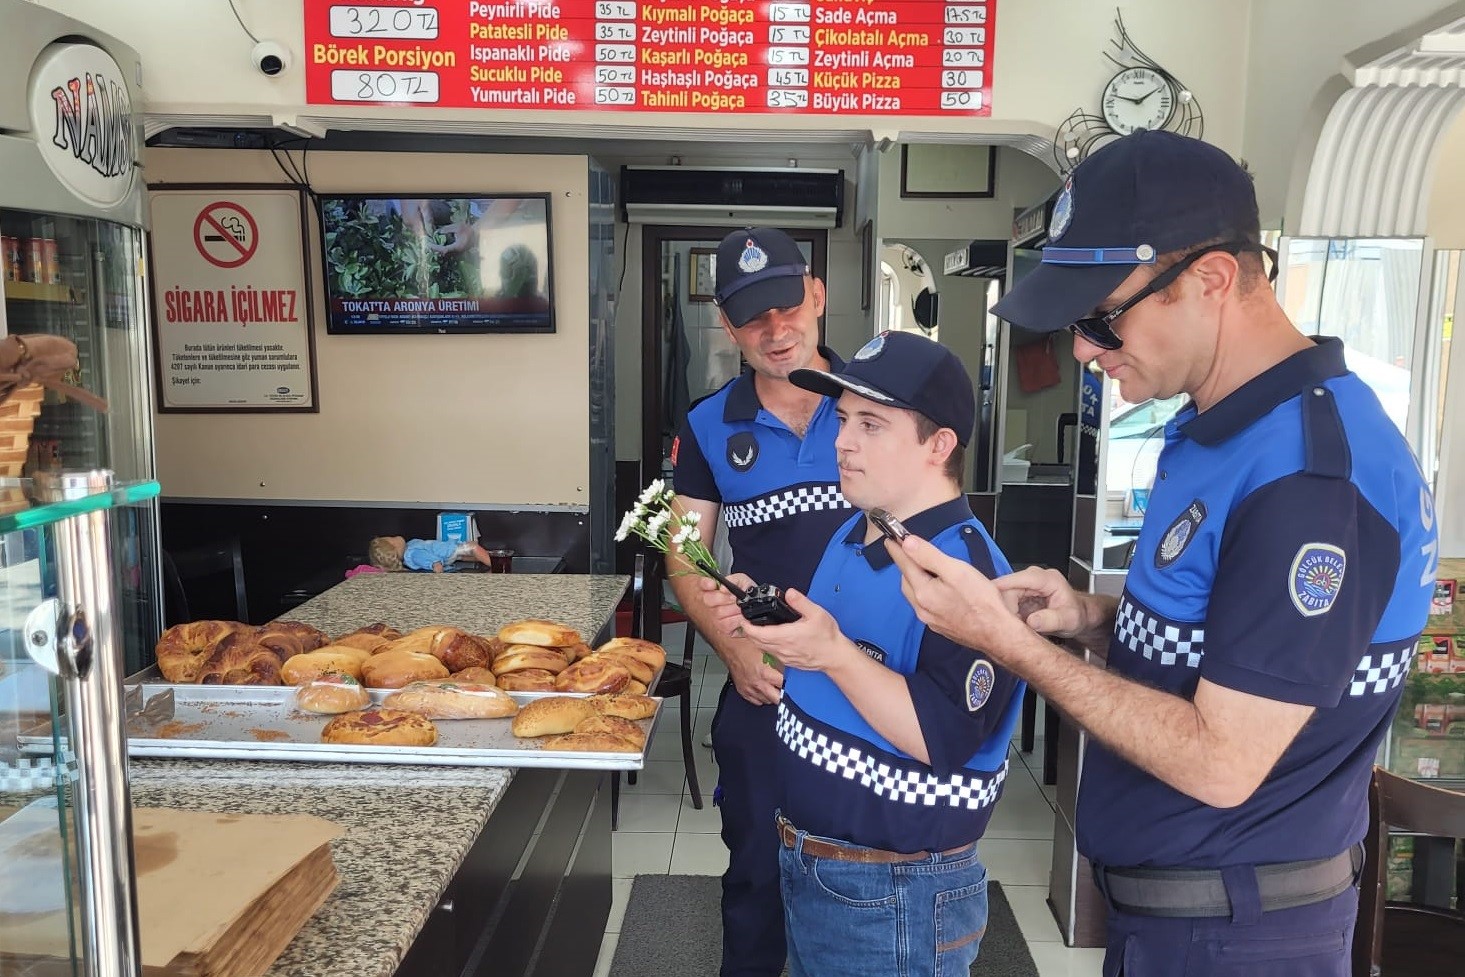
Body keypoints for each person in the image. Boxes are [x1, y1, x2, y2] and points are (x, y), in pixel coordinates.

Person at [885, 130, 1439, 976]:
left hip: (1240, 933)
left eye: (1100, 319)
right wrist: (1089, 616)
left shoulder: (1311, 479)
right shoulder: (1220, 430)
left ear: (1211, 279)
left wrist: (1013, 645)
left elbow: (1221, 760)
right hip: (1173, 919)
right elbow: (1235, 641)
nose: (1081, 349)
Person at [695, 330, 1026, 977]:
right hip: (819, 864)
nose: (842, 440)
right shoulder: (858, 526)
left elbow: (943, 738)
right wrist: (774, 617)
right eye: (843, 419)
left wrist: (832, 652)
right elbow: (838, 657)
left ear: (939, 445)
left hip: (894, 891)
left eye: (871, 424)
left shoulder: (967, 575)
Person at [665, 226, 852, 977]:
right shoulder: (708, 423)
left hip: (876, 682)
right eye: (752, 317)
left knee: (867, 869)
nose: (775, 330)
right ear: (728, 326)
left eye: (785, 305)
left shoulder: (882, 398)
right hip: (768, 682)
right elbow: (684, 553)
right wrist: (733, 645)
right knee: (754, 868)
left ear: (817, 294)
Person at [367, 535, 493, 573]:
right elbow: (436, 564)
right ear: (395, 549)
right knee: (473, 548)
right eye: (392, 539)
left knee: (468, 556)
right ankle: (496, 564)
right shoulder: (414, 554)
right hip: (449, 550)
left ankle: (485, 559)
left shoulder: (409, 549)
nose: (396, 537)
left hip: (448, 553)